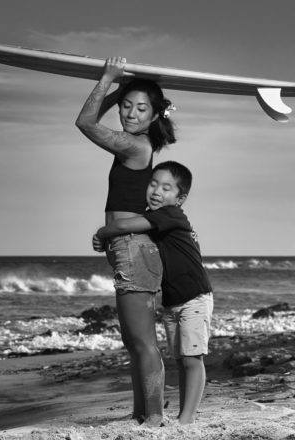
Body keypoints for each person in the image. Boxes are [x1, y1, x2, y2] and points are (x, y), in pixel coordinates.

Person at [76, 57, 176, 427]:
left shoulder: (136, 147)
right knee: (134, 342)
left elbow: (85, 122)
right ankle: (142, 413)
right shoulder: (136, 143)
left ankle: (154, 418)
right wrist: (116, 88)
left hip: (135, 250)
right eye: (126, 106)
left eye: (141, 108)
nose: (130, 114)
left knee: (144, 341)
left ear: (154, 115)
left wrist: (107, 79)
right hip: (129, 250)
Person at [93, 160, 214, 425]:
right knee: (182, 360)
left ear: (179, 198)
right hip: (174, 301)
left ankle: (187, 419)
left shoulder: (170, 215)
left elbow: (124, 226)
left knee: (193, 359)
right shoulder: (158, 215)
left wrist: (102, 233)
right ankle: (185, 415)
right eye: (153, 184)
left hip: (194, 297)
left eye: (166, 188)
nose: (157, 191)